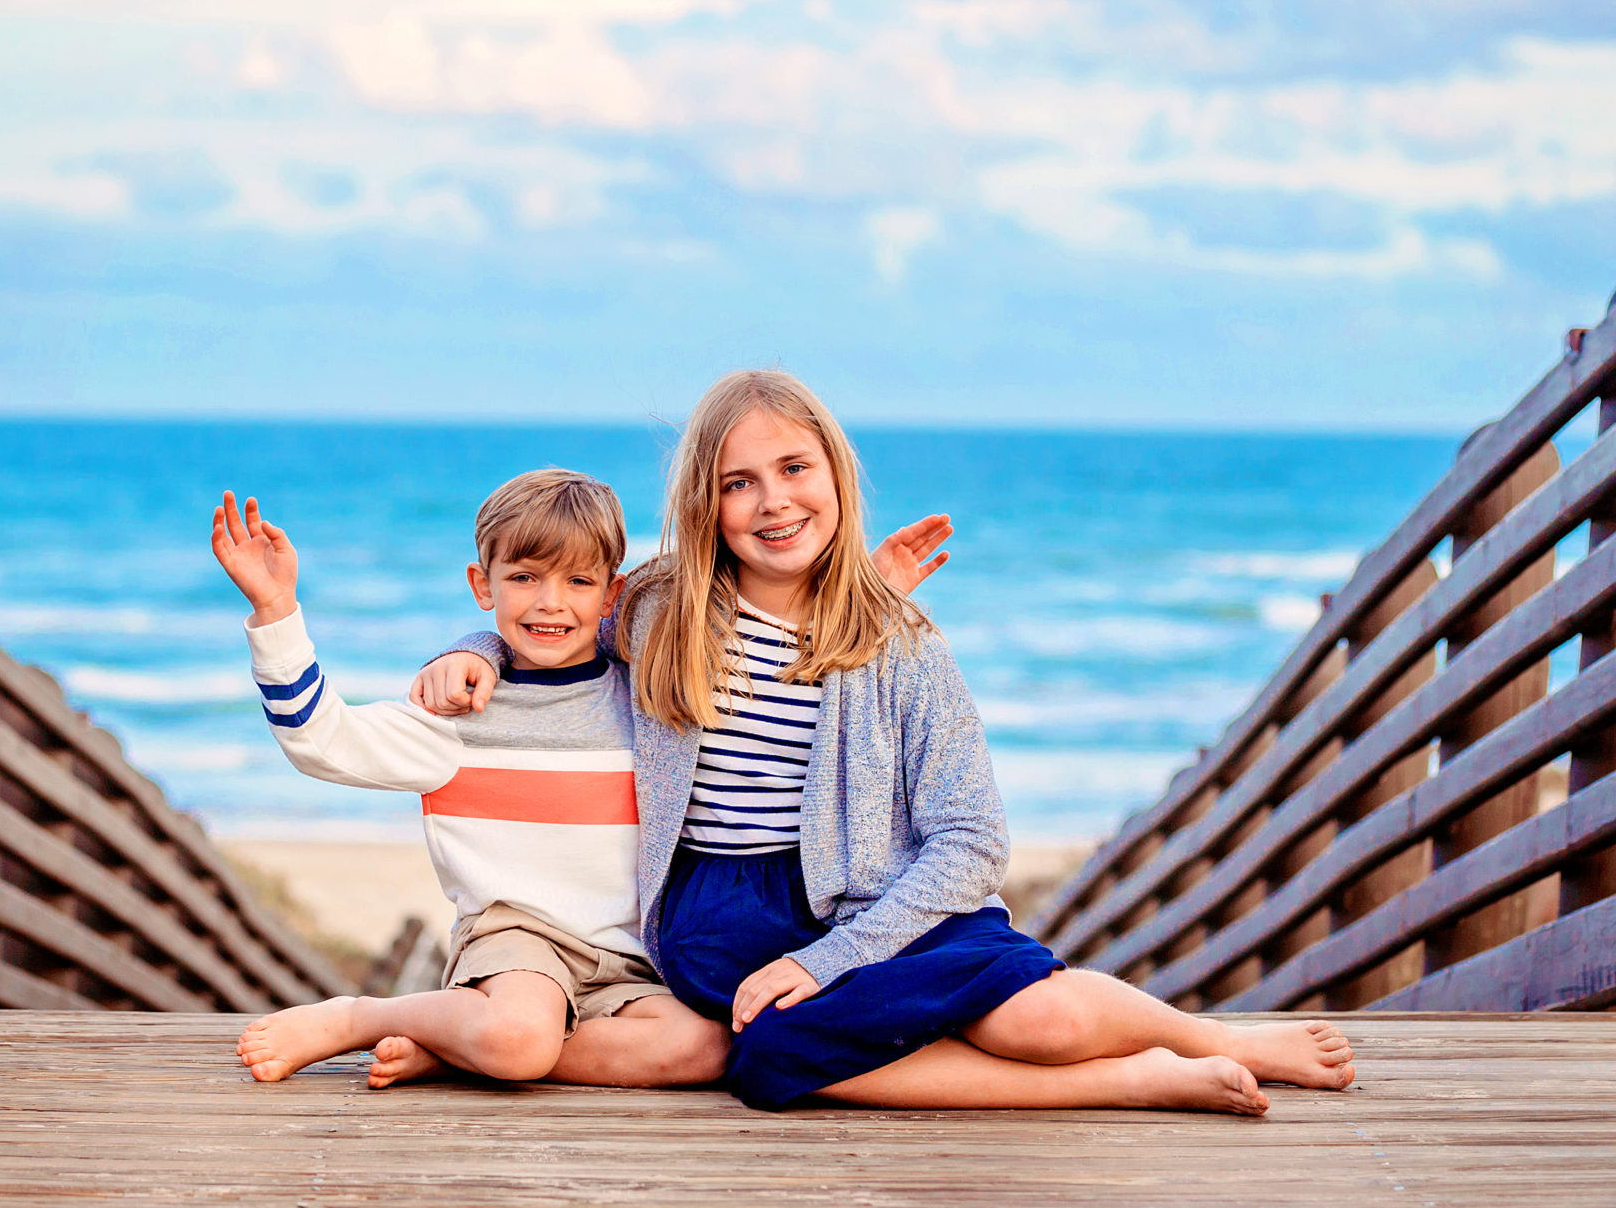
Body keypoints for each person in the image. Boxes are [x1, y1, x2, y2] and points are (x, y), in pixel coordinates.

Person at [415, 371, 1355, 1113]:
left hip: (874, 897)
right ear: (706, 503)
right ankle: (1128, 1081)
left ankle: (1209, 1038)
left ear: (836, 475)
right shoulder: (661, 610)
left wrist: (828, 959)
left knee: (1047, 1016)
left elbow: (975, 840)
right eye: (738, 482)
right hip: (727, 910)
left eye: (794, 469)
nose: (772, 501)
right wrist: (466, 652)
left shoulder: (901, 643)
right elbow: (547, 611)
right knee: (774, 1056)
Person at [220, 465, 955, 1089]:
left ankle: (463, 1050)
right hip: (517, 941)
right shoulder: (459, 710)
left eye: (578, 580)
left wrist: (862, 595)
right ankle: (366, 1016)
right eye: (525, 577)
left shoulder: (651, 698)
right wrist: (276, 610)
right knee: (519, 1032)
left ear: (613, 593)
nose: (550, 602)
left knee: (706, 1048)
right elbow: (323, 740)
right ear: (483, 583)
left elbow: (763, 672)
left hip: (627, 955)